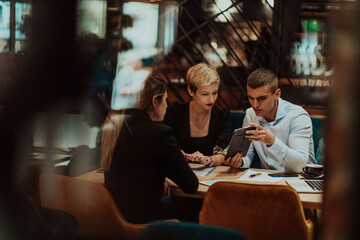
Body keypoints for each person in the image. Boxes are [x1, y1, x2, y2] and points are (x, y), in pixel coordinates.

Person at [101, 74, 199, 224]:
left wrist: (160, 171)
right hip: (146, 225)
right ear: (155, 101)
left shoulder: (113, 127)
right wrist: (170, 160)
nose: (167, 105)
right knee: (191, 211)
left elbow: (136, 167)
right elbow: (191, 185)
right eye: (165, 100)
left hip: (113, 222)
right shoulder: (159, 133)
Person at [225, 68, 316, 172]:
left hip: (302, 181)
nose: (255, 105)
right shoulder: (250, 114)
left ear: (277, 94)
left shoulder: (298, 116)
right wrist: (240, 161)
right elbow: (248, 154)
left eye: (262, 98)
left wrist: (272, 142)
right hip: (268, 179)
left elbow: (299, 166)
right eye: (251, 98)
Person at [163, 63, 230, 167]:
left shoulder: (222, 116)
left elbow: (221, 154)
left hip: (210, 175)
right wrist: (176, 154)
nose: (211, 99)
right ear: (190, 91)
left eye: (215, 93)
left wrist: (207, 160)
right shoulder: (174, 113)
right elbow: (164, 146)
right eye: (205, 94)